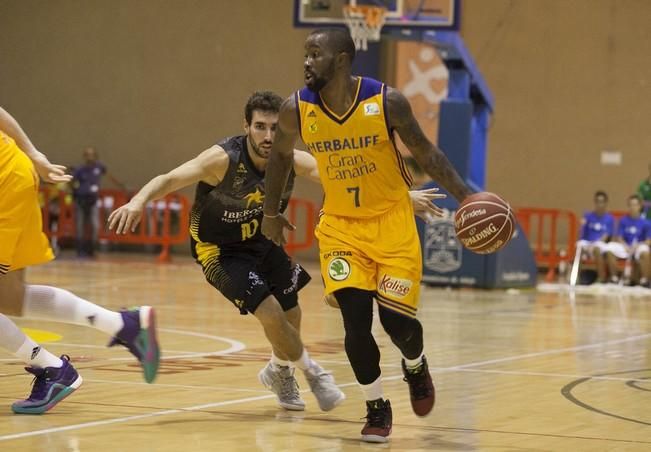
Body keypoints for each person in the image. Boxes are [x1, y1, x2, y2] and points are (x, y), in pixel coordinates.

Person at [108, 91, 443, 413]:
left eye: (275, 128)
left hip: (262, 241)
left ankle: (279, 369)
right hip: (220, 250)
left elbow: (341, 180)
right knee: (270, 312)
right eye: (260, 127)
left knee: (292, 311)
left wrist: (400, 200)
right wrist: (138, 201)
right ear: (246, 126)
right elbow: (170, 178)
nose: (268, 135)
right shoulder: (222, 160)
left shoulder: (290, 160)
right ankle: (314, 375)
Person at [261, 29, 471, 443]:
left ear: (341, 60)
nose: (306, 62)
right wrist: (271, 211)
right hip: (341, 228)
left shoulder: (386, 102)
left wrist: (468, 196)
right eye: (305, 54)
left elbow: (427, 152)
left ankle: (416, 365)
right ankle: (376, 406)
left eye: (315, 54)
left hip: (392, 224)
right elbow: (282, 157)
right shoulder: (296, 109)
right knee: (356, 323)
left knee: (397, 324)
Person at [0, 106, 160, 414]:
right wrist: (32, 156)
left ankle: (52, 368)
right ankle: (123, 324)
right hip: (14, 175)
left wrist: (34, 155)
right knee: (8, 298)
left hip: (6, 181)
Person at [72, 147, 124, 256]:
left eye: (92, 155)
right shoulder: (80, 169)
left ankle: (91, 249)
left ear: (95, 156)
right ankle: (80, 249)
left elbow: (109, 176)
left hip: (93, 201)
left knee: (95, 225)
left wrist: (121, 185)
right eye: (87, 155)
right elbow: (72, 181)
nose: (90, 157)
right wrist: (75, 191)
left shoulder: (99, 167)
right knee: (80, 225)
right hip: (81, 200)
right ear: (84, 156)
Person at [605, 195, 650, 287]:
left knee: (645, 251)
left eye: (635, 205)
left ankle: (645, 280)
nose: (632, 207)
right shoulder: (623, 220)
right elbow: (619, 237)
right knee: (609, 247)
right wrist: (626, 246)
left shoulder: (646, 222)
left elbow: (649, 240)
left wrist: (637, 246)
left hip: (638, 246)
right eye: (630, 205)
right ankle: (614, 278)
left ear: (639, 206)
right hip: (625, 246)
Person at [576, 191, 615, 283]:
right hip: (587, 243)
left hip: (600, 244)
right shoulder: (587, 216)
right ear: (595, 202)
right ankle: (575, 276)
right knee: (579, 248)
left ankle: (601, 278)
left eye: (602, 202)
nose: (599, 204)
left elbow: (605, 237)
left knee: (597, 248)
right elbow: (581, 233)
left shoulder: (609, 218)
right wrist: (581, 226)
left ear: (605, 203)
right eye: (597, 201)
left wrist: (593, 245)